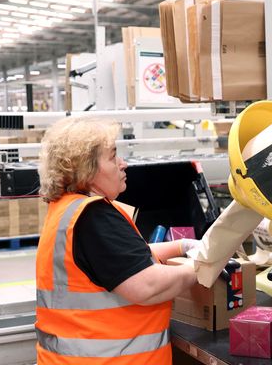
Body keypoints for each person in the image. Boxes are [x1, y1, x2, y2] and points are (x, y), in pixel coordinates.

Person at [34, 116, 198, 364]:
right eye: (112, 157)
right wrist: (204, 266)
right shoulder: (93, 216)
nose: (123, 164)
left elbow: (119, 261)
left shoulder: (68, 210)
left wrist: (181, 246)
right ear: (86, 169)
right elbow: (147, 286)